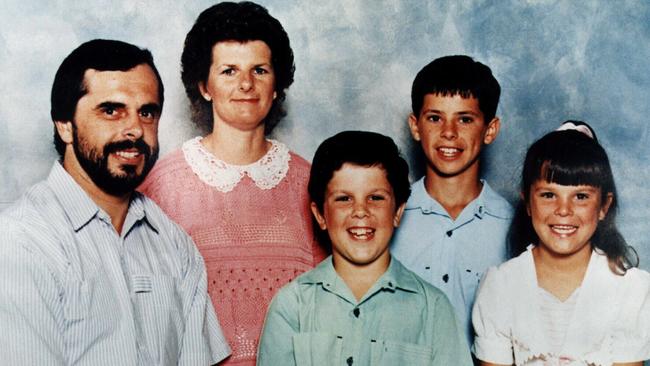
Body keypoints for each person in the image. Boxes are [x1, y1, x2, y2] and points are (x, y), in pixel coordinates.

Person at [0, 39, 230, 365]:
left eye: (147, 112)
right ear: (65, 125)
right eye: (111, 110)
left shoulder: (174, 243)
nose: (135, 129)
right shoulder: (20, 242)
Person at [138, 2, 325, 364]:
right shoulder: (163, 186)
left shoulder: (311, 182)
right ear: (204, 86)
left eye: (260, 69)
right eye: (228, 71)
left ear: (277, 85)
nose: (245, 84)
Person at [257, 131, 473, 366]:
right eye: (344, 199)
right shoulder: (292, 305)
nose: (360, 211)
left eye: (376, 198)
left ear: (398, 212)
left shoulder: (433, 309)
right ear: (320, 214)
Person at [472, 122, 650, 365]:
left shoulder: (628, 290)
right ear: (527, 202)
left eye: (581, 197)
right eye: (548, 195)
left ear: (604, 207)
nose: (563, 210)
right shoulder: (502, 287)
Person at [390, 55, 513, 344]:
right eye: (435, 118)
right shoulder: (389, 215)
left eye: (465, 119)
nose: (449, 133)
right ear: (415, 126)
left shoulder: (513, 225)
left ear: (490, 130)